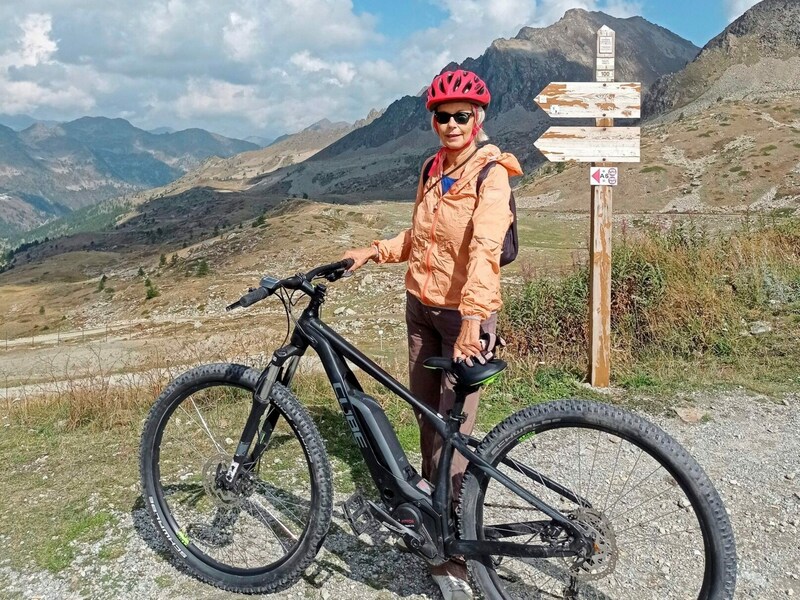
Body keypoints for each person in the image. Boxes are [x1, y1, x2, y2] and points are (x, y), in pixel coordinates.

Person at [343, 69, 522, 600]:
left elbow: (485, 248)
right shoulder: (432, 168)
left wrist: (472, 320)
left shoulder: (492, 173)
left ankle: (458, 554)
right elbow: (422, 238)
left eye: (461, 116)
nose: (451, 124)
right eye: (442, 116)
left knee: (456, 432)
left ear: (479, 118)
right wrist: (372, 251)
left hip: (463, 316)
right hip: (420, 307)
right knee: (426, 416)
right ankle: (434, 513)